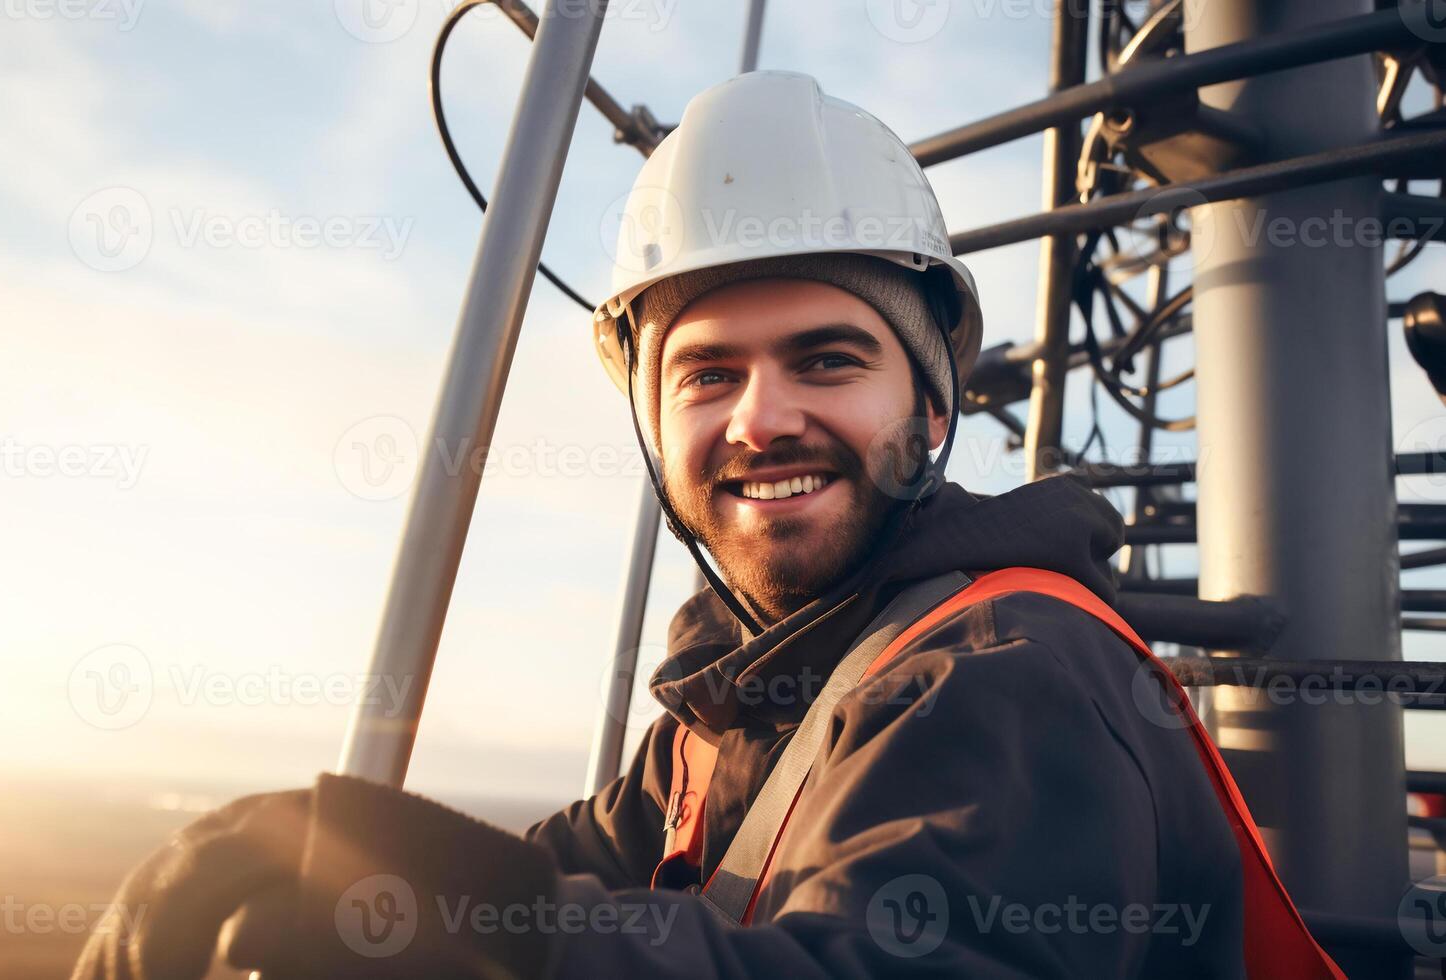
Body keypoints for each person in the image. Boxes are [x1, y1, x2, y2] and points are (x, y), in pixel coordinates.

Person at [73, 71, 1337, 979]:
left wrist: (491, 943)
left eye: (828, 359)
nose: (760, 418)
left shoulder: (1015, 670)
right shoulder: (746, 688)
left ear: (932, 408)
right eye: (708, 372)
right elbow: (581, 855)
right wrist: (338, 849)